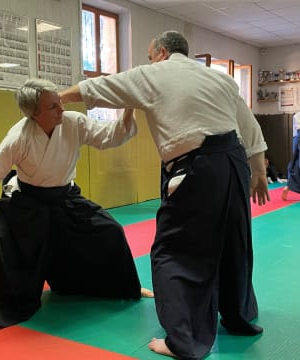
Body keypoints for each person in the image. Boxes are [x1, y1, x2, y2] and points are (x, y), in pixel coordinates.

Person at [59, 31, 269, 359]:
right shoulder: (218, 78)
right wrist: (258, 171)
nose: (147, 60)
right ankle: (239, 315)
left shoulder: (154, 73)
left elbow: (98, 87)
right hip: (234, 162)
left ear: (159, 52)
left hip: (197, 168)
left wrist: (56, 98)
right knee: (233, 243)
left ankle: (182, 341)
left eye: (148, 55)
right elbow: (248, 125)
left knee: (173, 251)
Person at [0, 78, 153, 333]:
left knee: (110, 230)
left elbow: (111, 136)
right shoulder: (19, 136)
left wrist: (129, 108)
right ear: (34, 114)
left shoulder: (73, 122)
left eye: (59, 103)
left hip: (65, 199)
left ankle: (126, 286)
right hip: (27, 202)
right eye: (53, 107)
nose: (61, 109)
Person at [282, 111, 300, 200]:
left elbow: (295, 135)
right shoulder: (297, 116)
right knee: (295, 165)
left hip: (296, 139)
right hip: (297, 138)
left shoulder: (296, 116)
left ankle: (288, 186)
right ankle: (288, 186)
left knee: (294, 165)